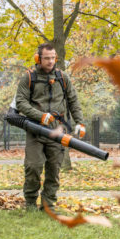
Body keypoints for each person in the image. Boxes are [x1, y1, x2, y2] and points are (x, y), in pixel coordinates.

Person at [14, 43, 84, 211]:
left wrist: (80, 122)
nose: (50, 61)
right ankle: (30, 202)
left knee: (54, 170)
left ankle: (48, 204)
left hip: (58, 131)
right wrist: (40, 116)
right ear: (38, 58)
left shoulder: (62, 77)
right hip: (35, 131)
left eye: (53, 58)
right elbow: (21, 102)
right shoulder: (28, 78)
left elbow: (73, 100)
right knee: (33, 166)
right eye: (46, 58)